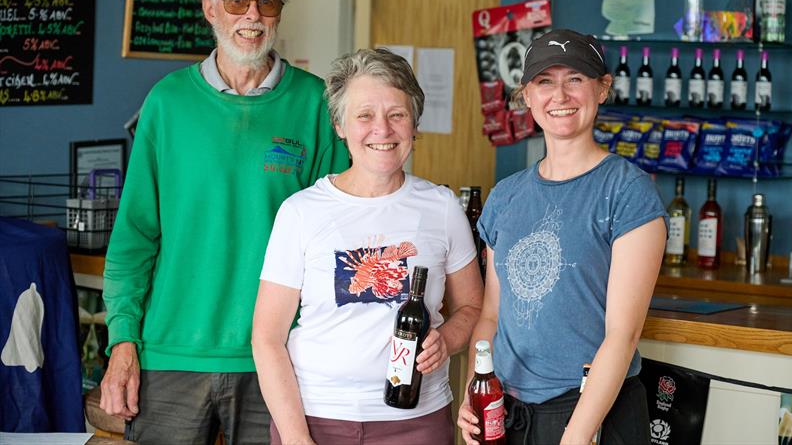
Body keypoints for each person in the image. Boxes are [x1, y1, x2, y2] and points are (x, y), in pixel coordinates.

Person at [99, 0, 349, 445]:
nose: (252, 16)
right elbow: (135, 236)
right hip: (171, 354)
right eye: (237, 1)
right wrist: (122, 339)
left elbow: (340, 237)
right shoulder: (167, 103)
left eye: (267, 3)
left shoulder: (316, 103)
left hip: (279, 356)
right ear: (210, 8)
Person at [252, 48, 484, 445]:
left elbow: (473, 308)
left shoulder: (442, 207)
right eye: (365, 116)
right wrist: (296, 439)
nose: (383, 130)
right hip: (316, 419)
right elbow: (267, 337)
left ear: (414, 125)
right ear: (340, 126)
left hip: (418, 423)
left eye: (397, 114)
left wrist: (447, 339)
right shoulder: (302, 212)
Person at [458, 29, 667, 445]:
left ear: (602, 88)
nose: (560, 95)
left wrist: (575, 435)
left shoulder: (627, 192)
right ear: (527, 96)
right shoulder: (507, 195)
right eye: (545, 82)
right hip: (508, 414)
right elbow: (490, 317)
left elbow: (622, 335)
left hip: (593, 414)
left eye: (575, 78)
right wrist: (474, 394)